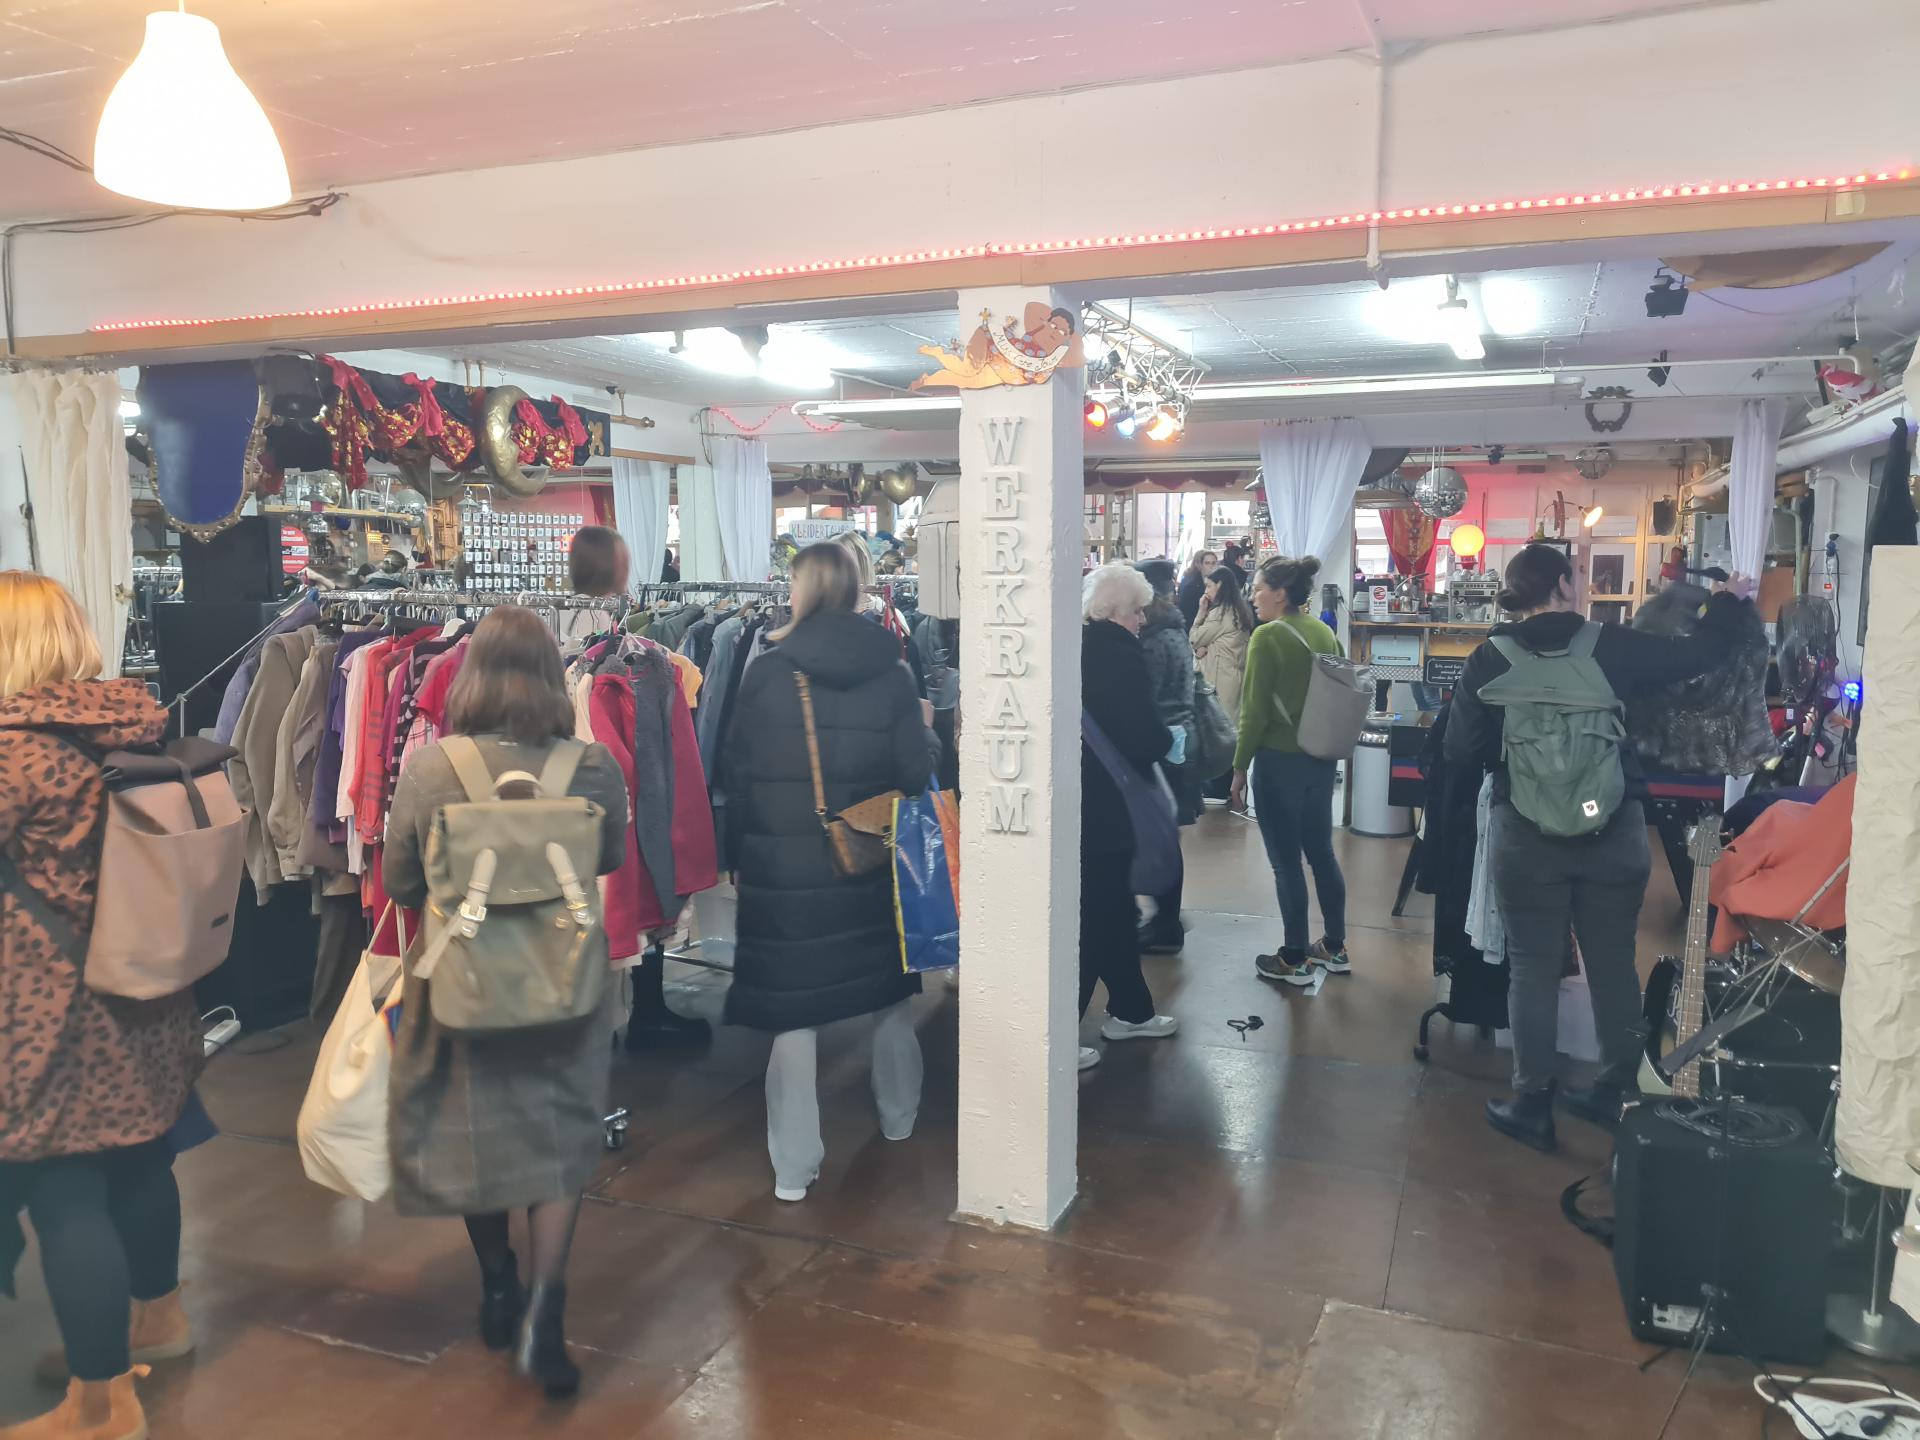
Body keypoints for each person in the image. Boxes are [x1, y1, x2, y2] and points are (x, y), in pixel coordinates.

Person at [382, 607, 630, 1398]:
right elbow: (609, 857)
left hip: (463, 981)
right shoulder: (593, 767)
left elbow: (400, 883)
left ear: (470, 673)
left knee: (475, 1135)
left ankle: (498, 1285)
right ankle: (547, 1314)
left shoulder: (433, 768)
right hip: (566, 981)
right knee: (558, 1141)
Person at [1444, 544, 1753, 1151]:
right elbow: (1701, 656)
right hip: (1613, 828)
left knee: (1532, 968)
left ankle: (1532, 1104)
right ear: (1563, 584)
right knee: (1613, 963)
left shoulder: (1488, 658)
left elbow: (1460, 751)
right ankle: (1616, 1093)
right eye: (1578, 575)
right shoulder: (1613, 646)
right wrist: (1727, 603)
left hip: (1524, 835)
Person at [0, 572, 201, 1440]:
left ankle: (100, 1404)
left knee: (64, 1193)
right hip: (144, 989)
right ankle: (161, 1316)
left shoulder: (14, 753)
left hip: (48, 1012)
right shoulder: (127, 726)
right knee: (140, 1161)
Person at [721, 543, 939, 1202]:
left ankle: (794, 1169)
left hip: (784, 866)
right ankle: (899, 1116)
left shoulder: (767, 674)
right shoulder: (892, 671)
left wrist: (739, 856)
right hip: (869, 853)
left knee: (794, 1014)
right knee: (888, 992)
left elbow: (737, 776)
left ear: (802, 591)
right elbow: (914, 775)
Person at [1080, 564, 1181, 1071]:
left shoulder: (1077, 647)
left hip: (1087, 797)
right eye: (1137, 611)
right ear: (1115, 612)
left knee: (1114, 909)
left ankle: (1132, 1010)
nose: (1143, 620)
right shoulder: (1119, 656)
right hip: (1111, 804)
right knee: (1098, 915)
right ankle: (1055, 1035)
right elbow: (1143, 737)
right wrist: (1168, 741)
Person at [1232, 556, 1349, 986]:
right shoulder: (1323, 631)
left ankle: (1295, 957)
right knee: (1321, 853)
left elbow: (1254, 713)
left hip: (1280, 760)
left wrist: (1239, 768)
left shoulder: (1267, 637)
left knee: (1285, 863)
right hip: (1320, 757)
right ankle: (1334, 946)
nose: (1253, 597)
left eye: (1258, 589)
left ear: (1280, 594)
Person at [1134, 560, 1200, 956]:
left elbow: (1144, 697)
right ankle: (1165, 918)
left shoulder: (1153, 639)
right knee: (1165, 833)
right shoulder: (1175, 630)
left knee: (1157, 835)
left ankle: (1166, 923)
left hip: (1161, 743)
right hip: (1180, 740)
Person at [1191, 565, 1256, 800]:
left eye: (1209, 585)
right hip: (1234, 678)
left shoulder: (1219, 614)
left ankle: (1216, 789)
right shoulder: (1240, 611)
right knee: (1230, 732)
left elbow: (1194, 637)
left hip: (1218, 681)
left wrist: (1200, 612)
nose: (1206, 591)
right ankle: (1227, 787)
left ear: (1220, 585)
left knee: (1216, 733)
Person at [1176, 550, 1218, 629]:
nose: (1211, 566)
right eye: (1207, 563)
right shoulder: (1190, 587)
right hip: (1196, 627)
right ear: (1201, 565)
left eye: (1213, 563)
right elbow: (1185, 613)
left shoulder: (1221, 585)